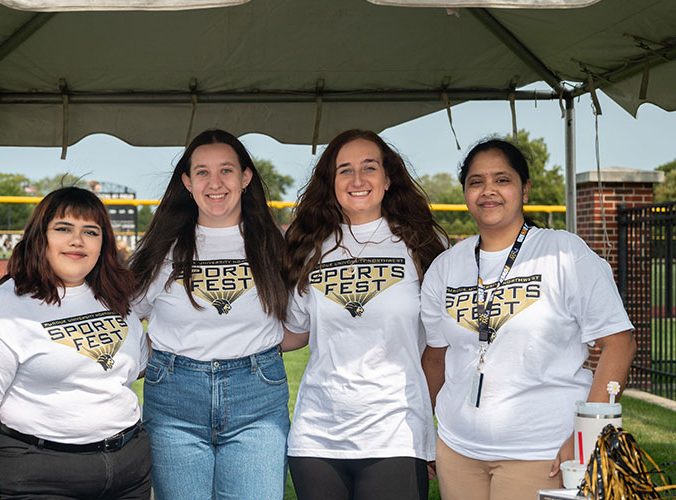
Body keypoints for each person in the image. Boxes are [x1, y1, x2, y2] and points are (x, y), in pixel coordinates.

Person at [420, 139, 637, 500]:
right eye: (476, 182)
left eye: (501, 179)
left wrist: (585, 435)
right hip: (458, 450)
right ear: (465, 193)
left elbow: (619, 342)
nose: (488, 190)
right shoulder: (447, 266)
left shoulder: (564, 253)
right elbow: (435, 358)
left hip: (542, 452)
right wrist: (426, 431)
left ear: (525, 189)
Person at [0, 187, 151, 500]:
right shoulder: (0, 308)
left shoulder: (117, 297)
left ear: (102, 244)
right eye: (63, 228)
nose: (76, 240)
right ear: (39, 237)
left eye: (90, 231)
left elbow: (132, 368)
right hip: (41, 475)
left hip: (129, 471)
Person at [282, 129, 447, 500]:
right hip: (317, 437)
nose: (358, 179)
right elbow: (292, 332)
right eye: (345, 170)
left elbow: (442, 348)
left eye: (369, 168)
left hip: (396, 434)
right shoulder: (308, 247)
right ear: (331, 182)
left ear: (388, 179)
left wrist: (429, 415)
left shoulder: (420, 247)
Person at [129, 129, 289, 499]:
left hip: (257, 401)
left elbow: (297, 326)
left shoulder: (273, 246)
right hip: (173, 402)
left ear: (246, 178)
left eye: (226, 171)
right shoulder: (161, 248)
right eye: (202, 172)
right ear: (186, 181)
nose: (214, 183)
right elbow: (125, 315)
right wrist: (155, 361)